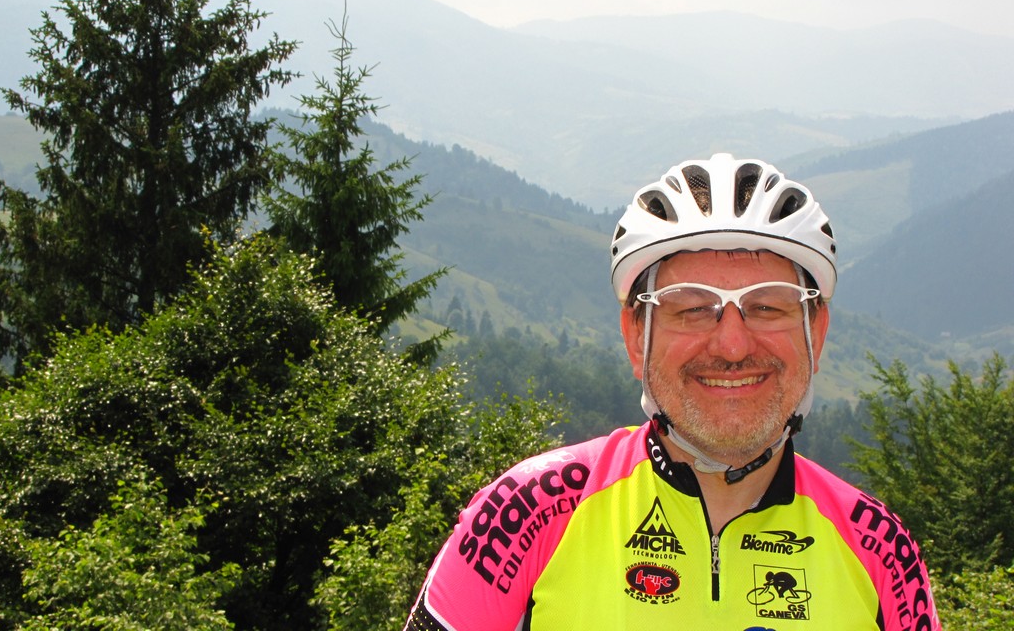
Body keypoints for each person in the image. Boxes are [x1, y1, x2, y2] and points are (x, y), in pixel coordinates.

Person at [403, 153, 941, 630]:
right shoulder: (530, 510)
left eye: (767, 305)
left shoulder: (881, 550)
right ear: (635, 336)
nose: (733, 345)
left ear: (815, 333)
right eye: (691, 307)